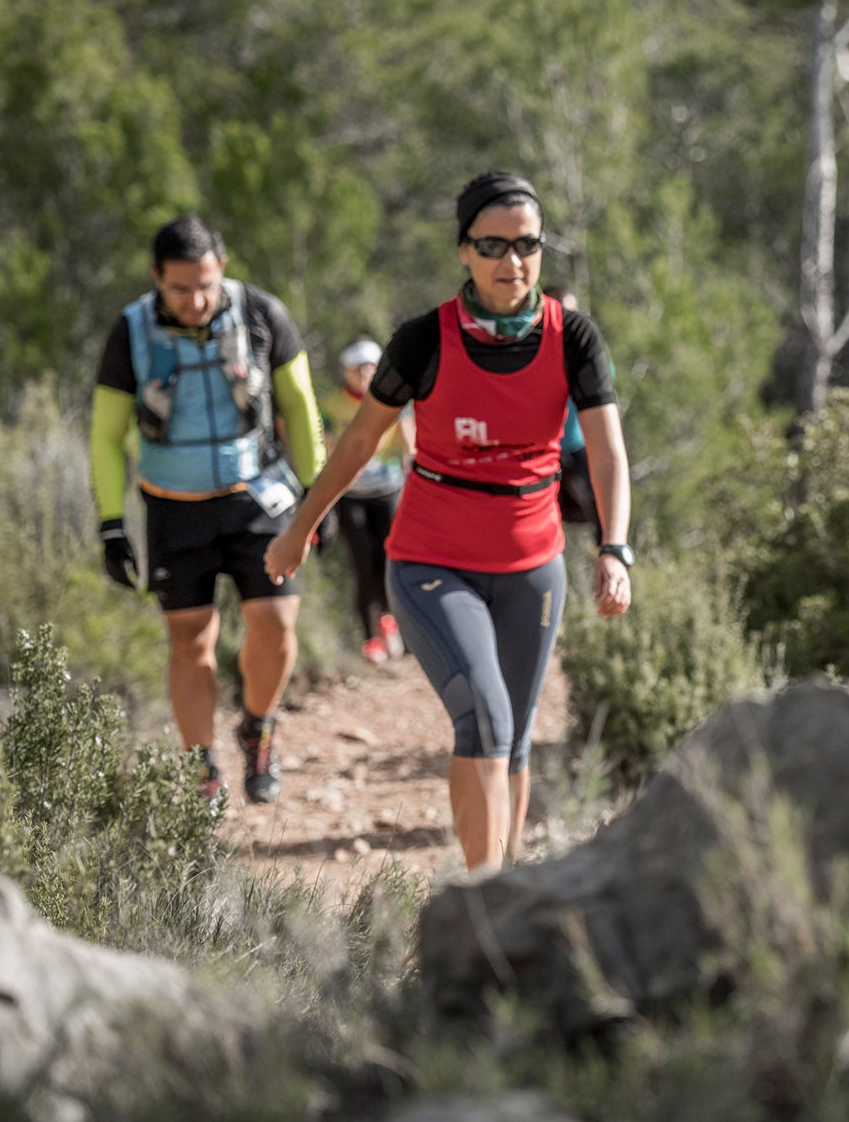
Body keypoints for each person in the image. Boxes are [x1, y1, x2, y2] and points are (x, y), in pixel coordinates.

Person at [266, 171, 634, 872]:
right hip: (435, 563)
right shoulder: (423, 340)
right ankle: (484, 901)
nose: (512, 260)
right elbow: (357, 441)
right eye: (492, 244)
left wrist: (614, 548)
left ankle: (510, 896)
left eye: (526, 244)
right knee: (486, 722)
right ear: (463, 250)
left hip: (533, 566)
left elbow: (610, 449)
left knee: (515, 738)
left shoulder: (573, 337)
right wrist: (300, 525)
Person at [91, 216, 326, 804]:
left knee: (276, 627)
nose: (196, 301)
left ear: (222, 267)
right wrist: (111, 525)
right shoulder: (131, 330)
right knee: (190, 639)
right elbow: (105, 434)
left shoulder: (260, 313)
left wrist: (316, 500)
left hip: (257, 498)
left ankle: (257, 725)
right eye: (179, 289)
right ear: (155, 279)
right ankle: (202, 770)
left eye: (206, 285)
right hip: (174, 510)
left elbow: (299, 407)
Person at [320, 337, 413, 664]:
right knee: (363, 563)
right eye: (358, 370)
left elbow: (408, 444)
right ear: (346, 372)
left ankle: (397, 623)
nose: (365, 376)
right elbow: (327, 450)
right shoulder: (332, 405)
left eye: (371, 369)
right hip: (351, 494)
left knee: (391, 560)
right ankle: (370, 637)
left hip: (388, 491)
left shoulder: (394, 399)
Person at [546, 287, 603, 543]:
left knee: (599, 507)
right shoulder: (528, 351)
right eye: (559, 311)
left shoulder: (588, 351)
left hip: (578, 445)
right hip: (545, 451)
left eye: (571, 312)